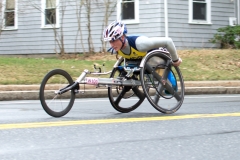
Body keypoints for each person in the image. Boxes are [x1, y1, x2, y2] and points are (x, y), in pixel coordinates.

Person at [103, 20, 182, 67]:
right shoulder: (115, 49)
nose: (112, 45)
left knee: (171, 88)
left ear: (122, 37)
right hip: (142, 62)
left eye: (114, 41)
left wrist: (175, 60)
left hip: (158, 57)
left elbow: (168, 41)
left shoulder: (140, 44)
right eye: (110, 41)